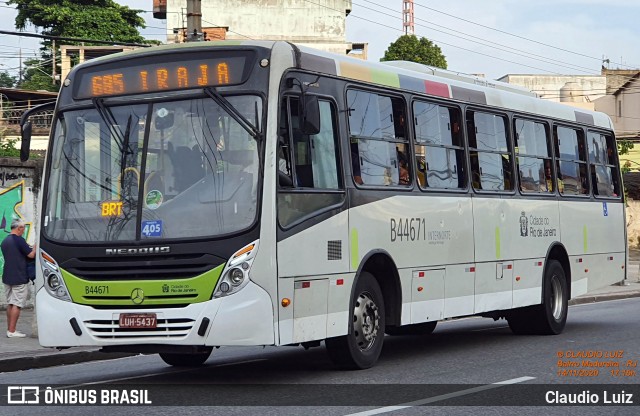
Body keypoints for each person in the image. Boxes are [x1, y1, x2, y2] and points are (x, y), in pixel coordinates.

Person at [1, 218, 36, 338]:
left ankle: (9, 330)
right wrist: (35, 247)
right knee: (17, 304)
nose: (24, 230)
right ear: (19, 228)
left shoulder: (5, 241)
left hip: (7, 276)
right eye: (23, 228)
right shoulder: (19, 240)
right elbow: (31, 255)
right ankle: (12, 331)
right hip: (19, 276)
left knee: (10, 303)